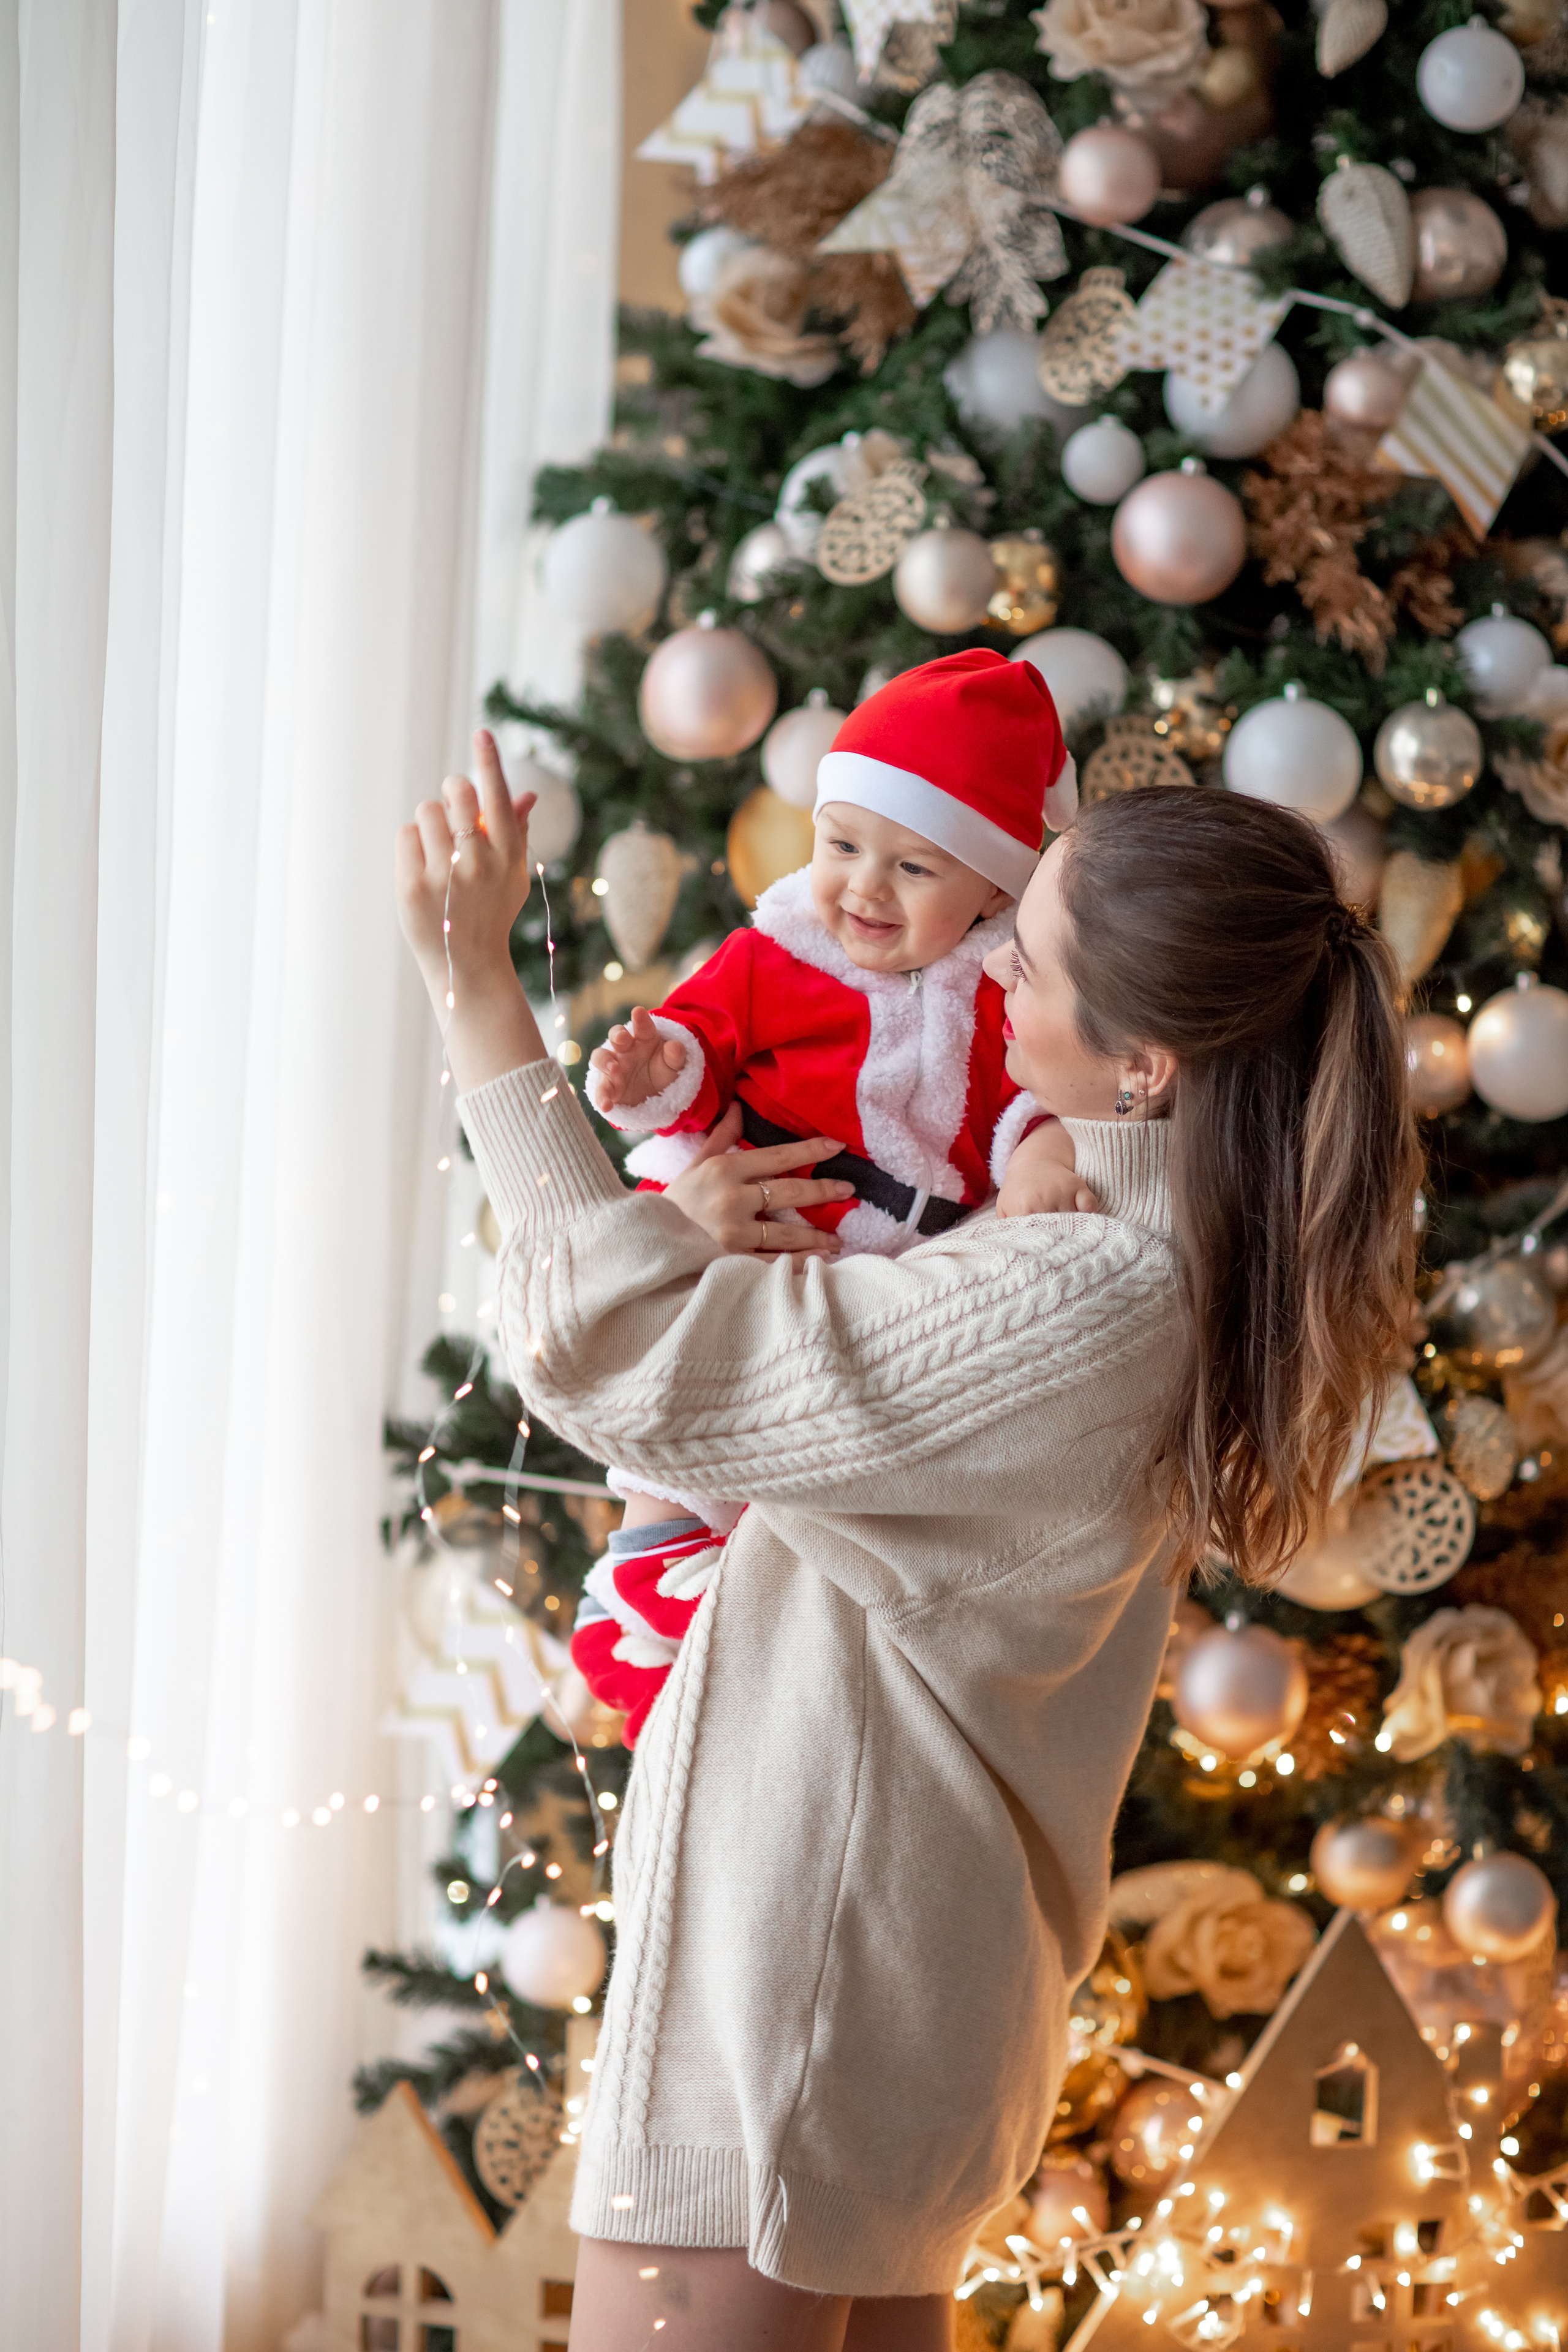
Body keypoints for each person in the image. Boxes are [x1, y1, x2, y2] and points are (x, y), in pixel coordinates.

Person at [394, 736, 1420, 2352]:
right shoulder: (1126, 1267)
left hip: (791, 2019)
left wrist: (475, 1000)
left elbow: (615, 1362)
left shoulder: (1080, 1304)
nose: (995, 951)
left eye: (1044, 944)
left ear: (1146, 1059)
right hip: (893, 2011)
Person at [576, 650, 1089, 1745]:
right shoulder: (777, 952)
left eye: (914, 869)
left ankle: (718, 1620)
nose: (862, 887)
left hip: (885, 1259)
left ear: (993, 890)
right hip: (759, 1203)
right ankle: (648, 1557)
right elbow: (701, 1047)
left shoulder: (999, 989)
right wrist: (657, 1068)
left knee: (800, 1447)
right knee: (696, 1376)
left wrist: (1038, 1153)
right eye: (844, 844)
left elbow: (1023, 1100)